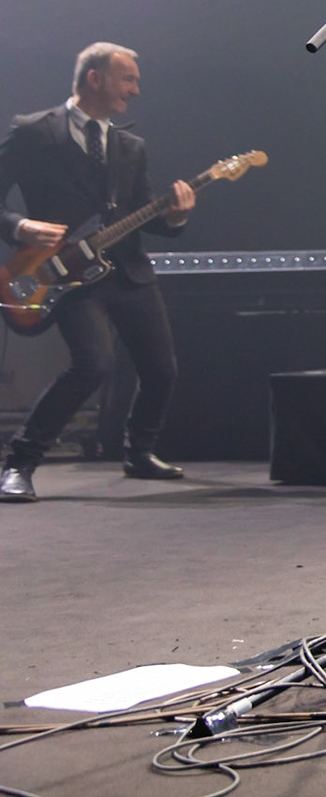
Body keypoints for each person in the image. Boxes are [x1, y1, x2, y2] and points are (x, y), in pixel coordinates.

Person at [0, 44, 196, 503]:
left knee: (161, 370)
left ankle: (139, 452)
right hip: (65, 275)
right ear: (94, 78)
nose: (135, 89)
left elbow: (149, 219)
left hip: (126, 271)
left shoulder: (130, 146)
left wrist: (177, 215)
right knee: (93, 365)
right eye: (127, 79)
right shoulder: (32, 131)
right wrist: (19, 226)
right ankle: (19, 463)